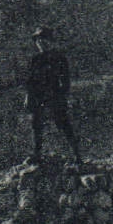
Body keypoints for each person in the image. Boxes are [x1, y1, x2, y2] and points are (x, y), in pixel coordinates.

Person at [25, 26, 82, 165]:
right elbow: (30, 80)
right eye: (38, 40)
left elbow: (65, 80)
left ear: (50, 41)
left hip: (55, 95)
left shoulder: (59, 58)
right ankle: (37, 154)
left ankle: (77, 155)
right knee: (36, 124)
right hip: (38, 96)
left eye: (44, 40)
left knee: (63, 123)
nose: (41, 43)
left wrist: (61, 95)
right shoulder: (35, 59)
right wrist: (28, 96)